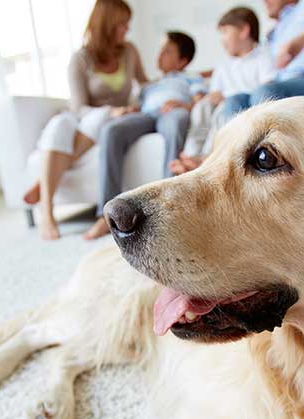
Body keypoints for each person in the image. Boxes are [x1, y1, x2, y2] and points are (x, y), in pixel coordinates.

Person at [23, 0, 148, 240]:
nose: (126, 29)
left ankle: (44, 182)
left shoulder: (129, 51)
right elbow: (78, 107)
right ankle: (47, 213)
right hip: (86, 116)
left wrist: (177, 82)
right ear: (107, 24)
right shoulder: (81, 58)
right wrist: (111, 111)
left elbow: (145, 83)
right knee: (59, 125)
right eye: (122, 24)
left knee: (101, 120)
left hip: (108, 121)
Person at [83, 31, 202, 240]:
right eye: (161, 49)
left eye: (167, 51)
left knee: (177, 122)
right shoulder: (150, 86)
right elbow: (137, 104)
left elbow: (201, 99)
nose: (160, 54)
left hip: (172, 111)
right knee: (112, 130)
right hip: (146, 115)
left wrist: (184, 104)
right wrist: (130, 110)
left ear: (182, 60)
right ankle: (105, 214)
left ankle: (168, 208)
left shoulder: (192, 78)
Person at [169, 6, 274, 175]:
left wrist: (224, 98)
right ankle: (191, 155)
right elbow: (216, 91)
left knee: (221, 111)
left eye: (225, 32)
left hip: (240, 106)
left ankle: (209, 157)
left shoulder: (263, 57)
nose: (222, 39)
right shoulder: (223, 64)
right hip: (222, 103)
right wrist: (211, 97)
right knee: (203, 107)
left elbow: (266, 88)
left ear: (244, 31)